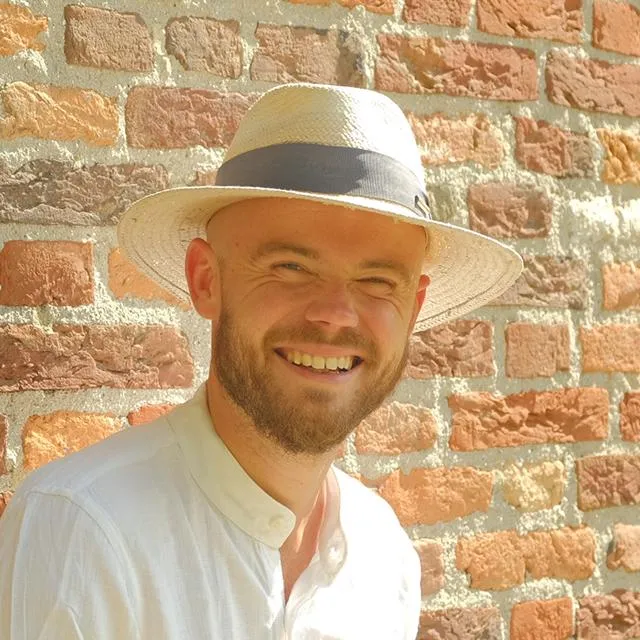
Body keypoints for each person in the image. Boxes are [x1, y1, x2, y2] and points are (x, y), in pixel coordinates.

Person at [0, 83, 522, 639]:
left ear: (413, 308)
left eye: (377, 280)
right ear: (206, 280)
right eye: (291, 267)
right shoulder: (84, 535)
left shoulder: (385, 557)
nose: (335, 314)